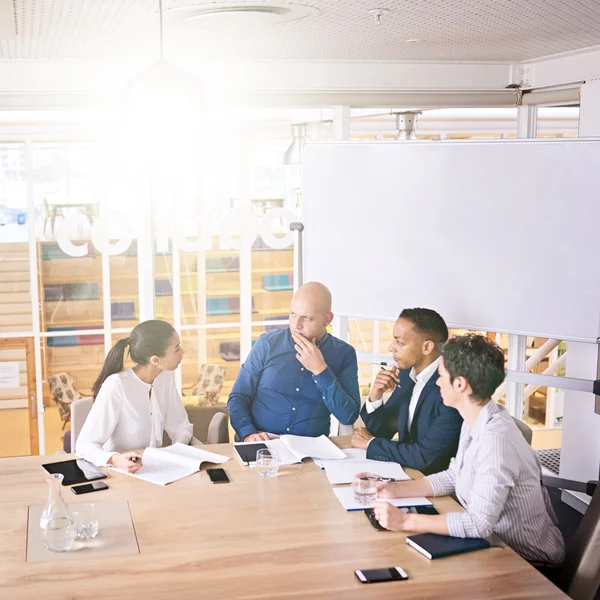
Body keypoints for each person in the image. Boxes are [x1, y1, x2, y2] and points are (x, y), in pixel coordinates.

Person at [364, 334, 565, 564]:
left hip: (527, 561)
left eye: (440, 376)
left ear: (460, 384)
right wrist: (395, 490)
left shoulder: (495, 441)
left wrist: (404, 521)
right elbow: (454, 474)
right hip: (494, 542)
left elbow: (478, 524)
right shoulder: (477, 417)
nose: (437, 382)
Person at [227, 281, 360, 441]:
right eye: (293, 314)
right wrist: (248, 433)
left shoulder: (344, 354)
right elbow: (238, 396)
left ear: (327, 319)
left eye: (307, 318)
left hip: (312, 449)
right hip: (262, 441)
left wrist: (321, 371)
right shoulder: (267, 344)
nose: (296, 325)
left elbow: (348, 416)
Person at [352, 308, 462, 474]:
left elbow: (426, 458)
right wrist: (376, 396)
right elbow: (382, 431)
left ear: (427, 347)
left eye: (400, 342)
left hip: (437, 485)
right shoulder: (406, 374)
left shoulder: (450, 388)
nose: (391, 347)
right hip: (404, 472)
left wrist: (371, 444)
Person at [76, 320, 193, 472]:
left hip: (155, 470)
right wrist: (116, 459)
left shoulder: (165, 378)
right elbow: (84, 446)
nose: (183, 352)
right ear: (155, 360)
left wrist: (176, 452)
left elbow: (180, 427)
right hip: (119, 473)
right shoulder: (116, 385)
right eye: (177, 349)